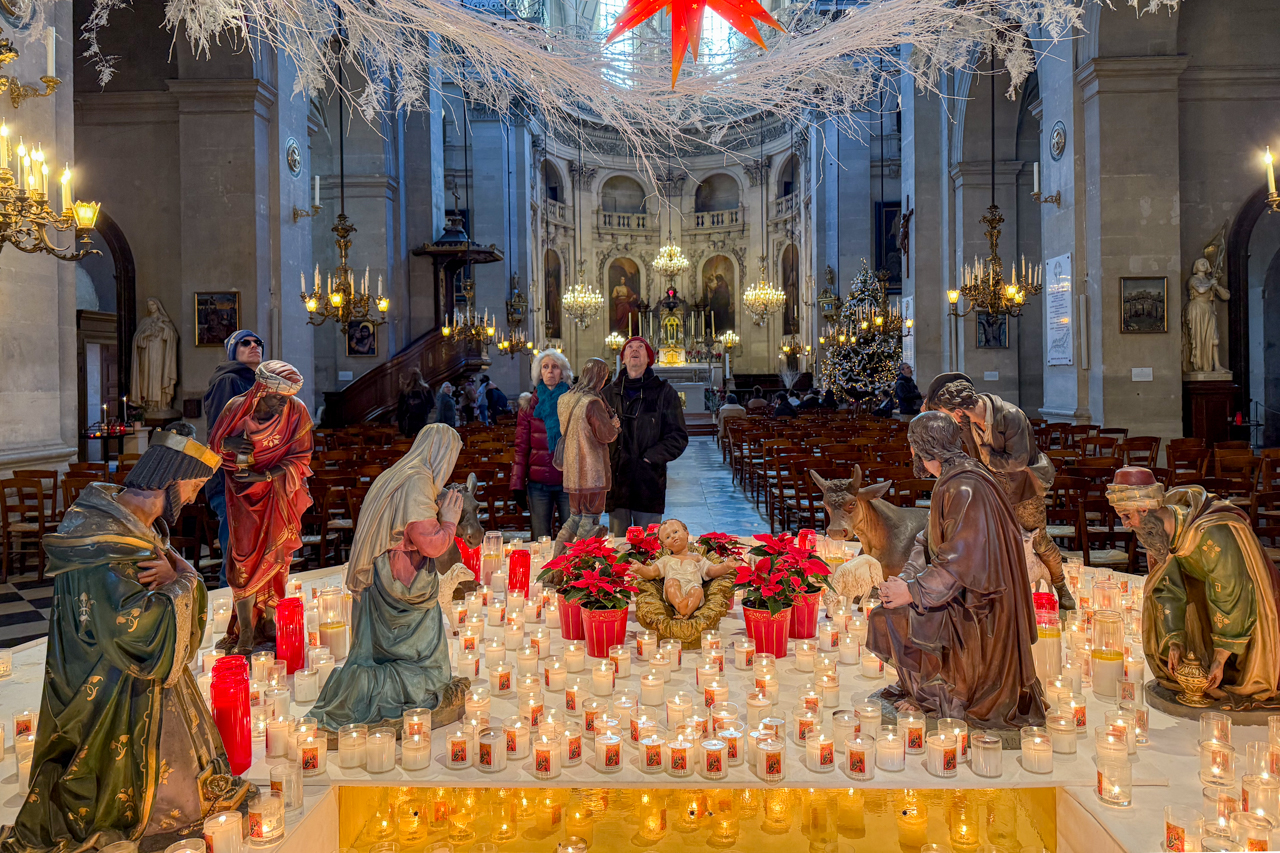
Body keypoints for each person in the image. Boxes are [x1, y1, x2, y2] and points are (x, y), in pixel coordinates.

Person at [0, 427, 250, 852]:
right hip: (112, 690)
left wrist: (178, 577)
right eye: (191, 487)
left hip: (124, 679)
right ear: (170, 481)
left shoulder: (120, 521)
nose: (191, 498)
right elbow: (138, 633)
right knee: (137, 793)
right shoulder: (107, 544)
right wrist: (183, 583)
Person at [869, 412, 1047, 728]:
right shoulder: (956, 480)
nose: (910, 452)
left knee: (895, 618)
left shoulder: (965, 488)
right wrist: (907, 578)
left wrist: (911, 593)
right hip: (961, 591)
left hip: (979, 611)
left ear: (920, 449)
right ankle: (924, 693)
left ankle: (945, 698)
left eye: (911, 446)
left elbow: (959, 561)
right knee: (887, 613)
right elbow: (928, 540)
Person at [310, 424, 468, 730]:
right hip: (400, 585)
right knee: (428, 670)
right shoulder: (418, 481)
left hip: (381, 577)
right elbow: (432, 544)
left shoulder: (398, 473)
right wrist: (449, 522)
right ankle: (385, 688)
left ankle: (377, 681)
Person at [1107, 467, 1280, 702]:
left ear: (1145, 509)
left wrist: (1220, 657)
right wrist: (1175, 639)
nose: (1125, 524)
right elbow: (1168, 587)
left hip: (1250, 611)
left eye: (1127, 515)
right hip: (1215, 609)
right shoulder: (1161, 533)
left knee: (1245, 684)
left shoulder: (1212, 533)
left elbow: (1232, 593)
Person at [925, 372, 1076, 610]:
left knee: (1040, 542)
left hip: (1023, 492)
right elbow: (971, 455)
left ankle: (1060, 585)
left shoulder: (1011, 416)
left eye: (949, 415)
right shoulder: (967, 424)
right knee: (991, 544)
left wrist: (988, 457)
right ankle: (1002, 598)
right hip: (992, 491)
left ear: (958, 410)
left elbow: (1018, 460)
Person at [209, 360, 314, 655]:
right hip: (242, 494)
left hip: (277, 493)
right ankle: (245, 629)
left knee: (277, 557)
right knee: (243, 558)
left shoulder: (296, 411)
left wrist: (265, 475)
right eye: (277, 397)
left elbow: (301, 457)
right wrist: (230, 443)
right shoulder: (236, 408)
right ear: (262, 390)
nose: (283, 404)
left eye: (287, 398)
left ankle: (269, 621)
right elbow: (214, 446)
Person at [604, 337, 689, 536]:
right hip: (617, 483)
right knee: (619, 548)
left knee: (648, 546)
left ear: (649, 358)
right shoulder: (607, 394)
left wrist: (651, 457)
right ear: (623, 358)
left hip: (648, 482)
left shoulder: (664, 392)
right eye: (630, 348)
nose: (635, 351)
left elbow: (678, 436)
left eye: (640, 348)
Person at [203, 329, 264, 587]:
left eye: (257, 343)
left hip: (250, 479)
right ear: (232, 351)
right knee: (238, 559)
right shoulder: (228, 381)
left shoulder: (256, 383)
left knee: (254, 557)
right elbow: (219, 434)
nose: (254, 346)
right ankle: (229, 618)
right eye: (245, 343)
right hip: (232, 482)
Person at [556, 358, 621, 549]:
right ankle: (573, 564)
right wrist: (614, 426)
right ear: (600, 377)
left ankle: (557, 562)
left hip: (572, 471)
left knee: (574, 518)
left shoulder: (564, 399)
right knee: (590, 521)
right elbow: (606, 434)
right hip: (592, 472)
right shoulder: (592, 403)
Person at [512, 351, 574, 541]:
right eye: (545, 367)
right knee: (541, 540)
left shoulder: (573, 403)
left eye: (555, 367)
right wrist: (517, 484)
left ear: (563, 373)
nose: (550, 372)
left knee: (571, 540)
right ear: (539, 373)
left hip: (568, 482)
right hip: (538, 484)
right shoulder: (528, 406)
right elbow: (521, 447)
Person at [632, 518, 735, 619]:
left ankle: (686, 611)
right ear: (665, 546)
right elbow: (651, 572)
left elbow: (711, 570)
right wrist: (640, 568)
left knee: (697, 590)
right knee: (671, 582)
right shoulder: (666, 559)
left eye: (675, 532)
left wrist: (726, 566)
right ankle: (680, 605)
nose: (673, 537)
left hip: (692, 587)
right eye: (668, 537)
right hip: (673, 593)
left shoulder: (696, 557)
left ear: (686, 533)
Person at [396, 368, 435, 438]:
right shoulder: (426, 390)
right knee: (421, 440)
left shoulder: (405, 391)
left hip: (409, 420)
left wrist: (401, 425)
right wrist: (426, 410)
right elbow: (432, 404)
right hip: (422, 418)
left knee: (410, 442)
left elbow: (400, 408)